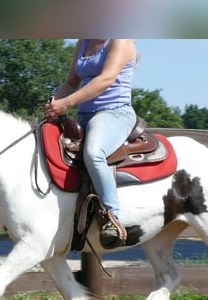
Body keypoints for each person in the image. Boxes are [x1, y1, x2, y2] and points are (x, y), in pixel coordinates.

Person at [44, 38, 138, 249]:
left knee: (94, 153)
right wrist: (52, 104)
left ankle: (111, 217)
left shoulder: (120, 41)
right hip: (85, 115)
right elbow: (71, 83)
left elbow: (106, 79)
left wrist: (65, 104)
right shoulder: (84, 42)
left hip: (114, 113)